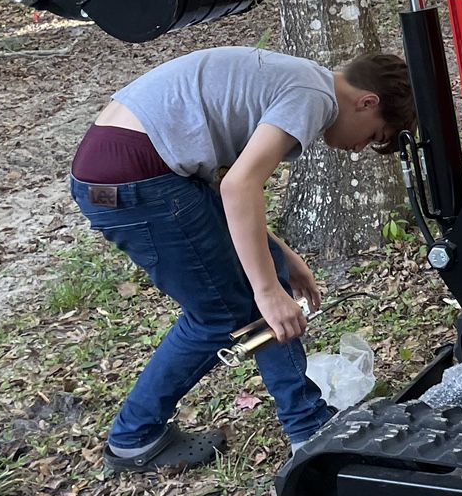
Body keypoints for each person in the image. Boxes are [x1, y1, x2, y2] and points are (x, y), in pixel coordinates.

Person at [68, 46, 414, 472]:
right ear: (367, 102)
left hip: (129, 168)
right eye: (374, 135)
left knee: (260, 284)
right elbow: (237, 187)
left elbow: (226, 188)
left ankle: (307, 425)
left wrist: (284, 260)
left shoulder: (304, 79)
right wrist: (268, 291)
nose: (360, 148)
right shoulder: (315, 98)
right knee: (222, 313)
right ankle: (135, 438)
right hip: (136, 181)